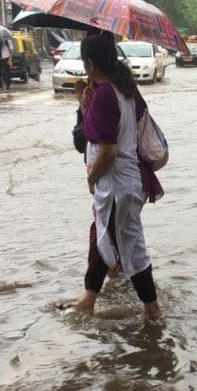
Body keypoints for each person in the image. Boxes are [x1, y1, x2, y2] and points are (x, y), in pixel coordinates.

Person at [60, 34, 164, 320]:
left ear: (90, 62)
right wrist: (85, 103)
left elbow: (107, 150)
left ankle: (153, 310)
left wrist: (92, 177)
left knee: (131, 248)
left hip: (118, 184)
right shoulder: (122, 88)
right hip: (125, 184)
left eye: (84, 61)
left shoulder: (107, 93)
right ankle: (88, 299)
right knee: (101, 237)